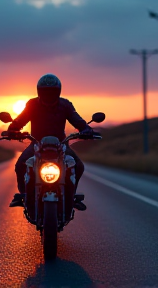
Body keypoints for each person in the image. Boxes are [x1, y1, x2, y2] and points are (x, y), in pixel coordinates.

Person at [8, 73, 93, 210]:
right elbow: (21, 119)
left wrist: (86, 129)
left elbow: (77, 119)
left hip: (60, 144)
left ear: (58, 91)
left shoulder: (65, 105)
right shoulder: (32, 104)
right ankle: (23, 196)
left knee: (78, 166)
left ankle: (71, 197)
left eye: (52, 91)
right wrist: (12, 128)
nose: (48, 95)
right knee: (20, 165)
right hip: (37, 144)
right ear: (39, 91)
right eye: (45, 91)